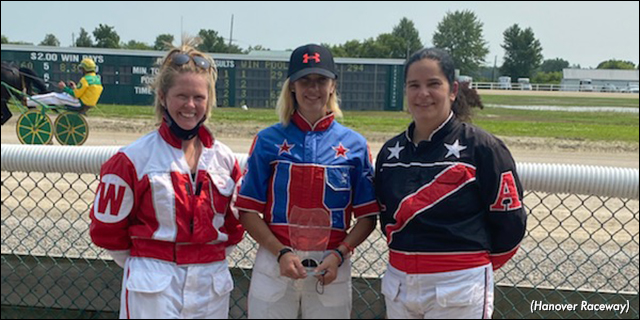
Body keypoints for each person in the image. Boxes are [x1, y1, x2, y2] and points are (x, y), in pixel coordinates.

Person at [89, 42, 244, 319]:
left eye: (198, 97)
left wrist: (205, 259)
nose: (190, 105)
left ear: (209, 100)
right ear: (162, 96)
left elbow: (235, 226)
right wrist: (146, 261)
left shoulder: (225, 160)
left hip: (211, 281)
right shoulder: (132, 159)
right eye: (181, 95)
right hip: (153, 281)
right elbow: (106, 231)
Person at [375, 48, 527, 319]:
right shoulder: (389, 153)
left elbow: (510, 223)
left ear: (453, 90)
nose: (423, 94)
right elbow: (386, 219)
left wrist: (470, 268)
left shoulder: (483, 147)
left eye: (433, 84)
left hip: (459, 284)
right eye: (414, 85)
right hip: (398, 281)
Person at [235, 44, 379, 319]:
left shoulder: (355, 145)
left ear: (333, 85)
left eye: (321, 81)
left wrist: (340, 254)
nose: (313, 89)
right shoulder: (267, 140)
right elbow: (248, 211)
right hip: (275, 262)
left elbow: (368, 216)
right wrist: (280, 253)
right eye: (305, 81)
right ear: (291, 86)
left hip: (331, 264)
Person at [27, 58, 103, 112]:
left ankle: (28, 101)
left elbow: (76, 94)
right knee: (62, 95)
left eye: (82, 69)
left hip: (79, 103)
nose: (81, 70)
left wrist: (64, 87)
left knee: (53, 96)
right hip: (86, 103)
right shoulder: (96, 79)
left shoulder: (85, 79)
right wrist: (74, 87)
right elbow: (84, 92)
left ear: (85, 69)